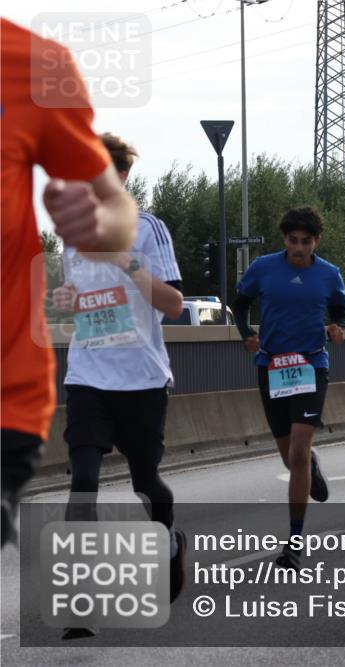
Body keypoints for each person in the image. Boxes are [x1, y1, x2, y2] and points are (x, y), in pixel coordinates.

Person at [2, 18, 139, 548]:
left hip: (6, 393)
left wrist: (96, 224)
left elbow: (116, 209)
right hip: (86, 372)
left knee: (138, 477)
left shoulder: (36, 65)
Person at [50, 134, 185, 639]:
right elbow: (76, 301)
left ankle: (169, 539)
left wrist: (128, 265)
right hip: (88, 376)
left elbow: (172, 305)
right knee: (83, 480)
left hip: (143, 380)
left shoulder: (149, 230)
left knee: (145, 484)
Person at [233, 206, 345, 570]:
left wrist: (337, 328)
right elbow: (239, 303)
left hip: (311, 365)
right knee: (291, 457)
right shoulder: (264, 268)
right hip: (271, 365)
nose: (299, 248)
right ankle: (310, 469)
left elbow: (340, 310)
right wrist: (246, 335)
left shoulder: (329, 274)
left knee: (297, 451)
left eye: (306, 242)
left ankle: (294, 541)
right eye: (293, 241)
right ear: (284, 239)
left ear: (317, 242)